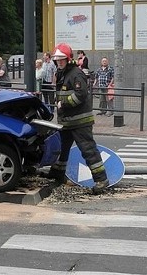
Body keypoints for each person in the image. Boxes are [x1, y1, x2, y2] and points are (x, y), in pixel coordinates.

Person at [47, 43, 109, 194]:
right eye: (57, 60)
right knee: (61, 149)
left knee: (88, 150)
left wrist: (64, 103)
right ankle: (57, 174)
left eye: (62, 59)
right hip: (67, 121)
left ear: (68, 59)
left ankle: (101, 180)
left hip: (80, 122)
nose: (59, 62)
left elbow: (81, 95)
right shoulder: (63, 73)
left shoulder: (76, 73)